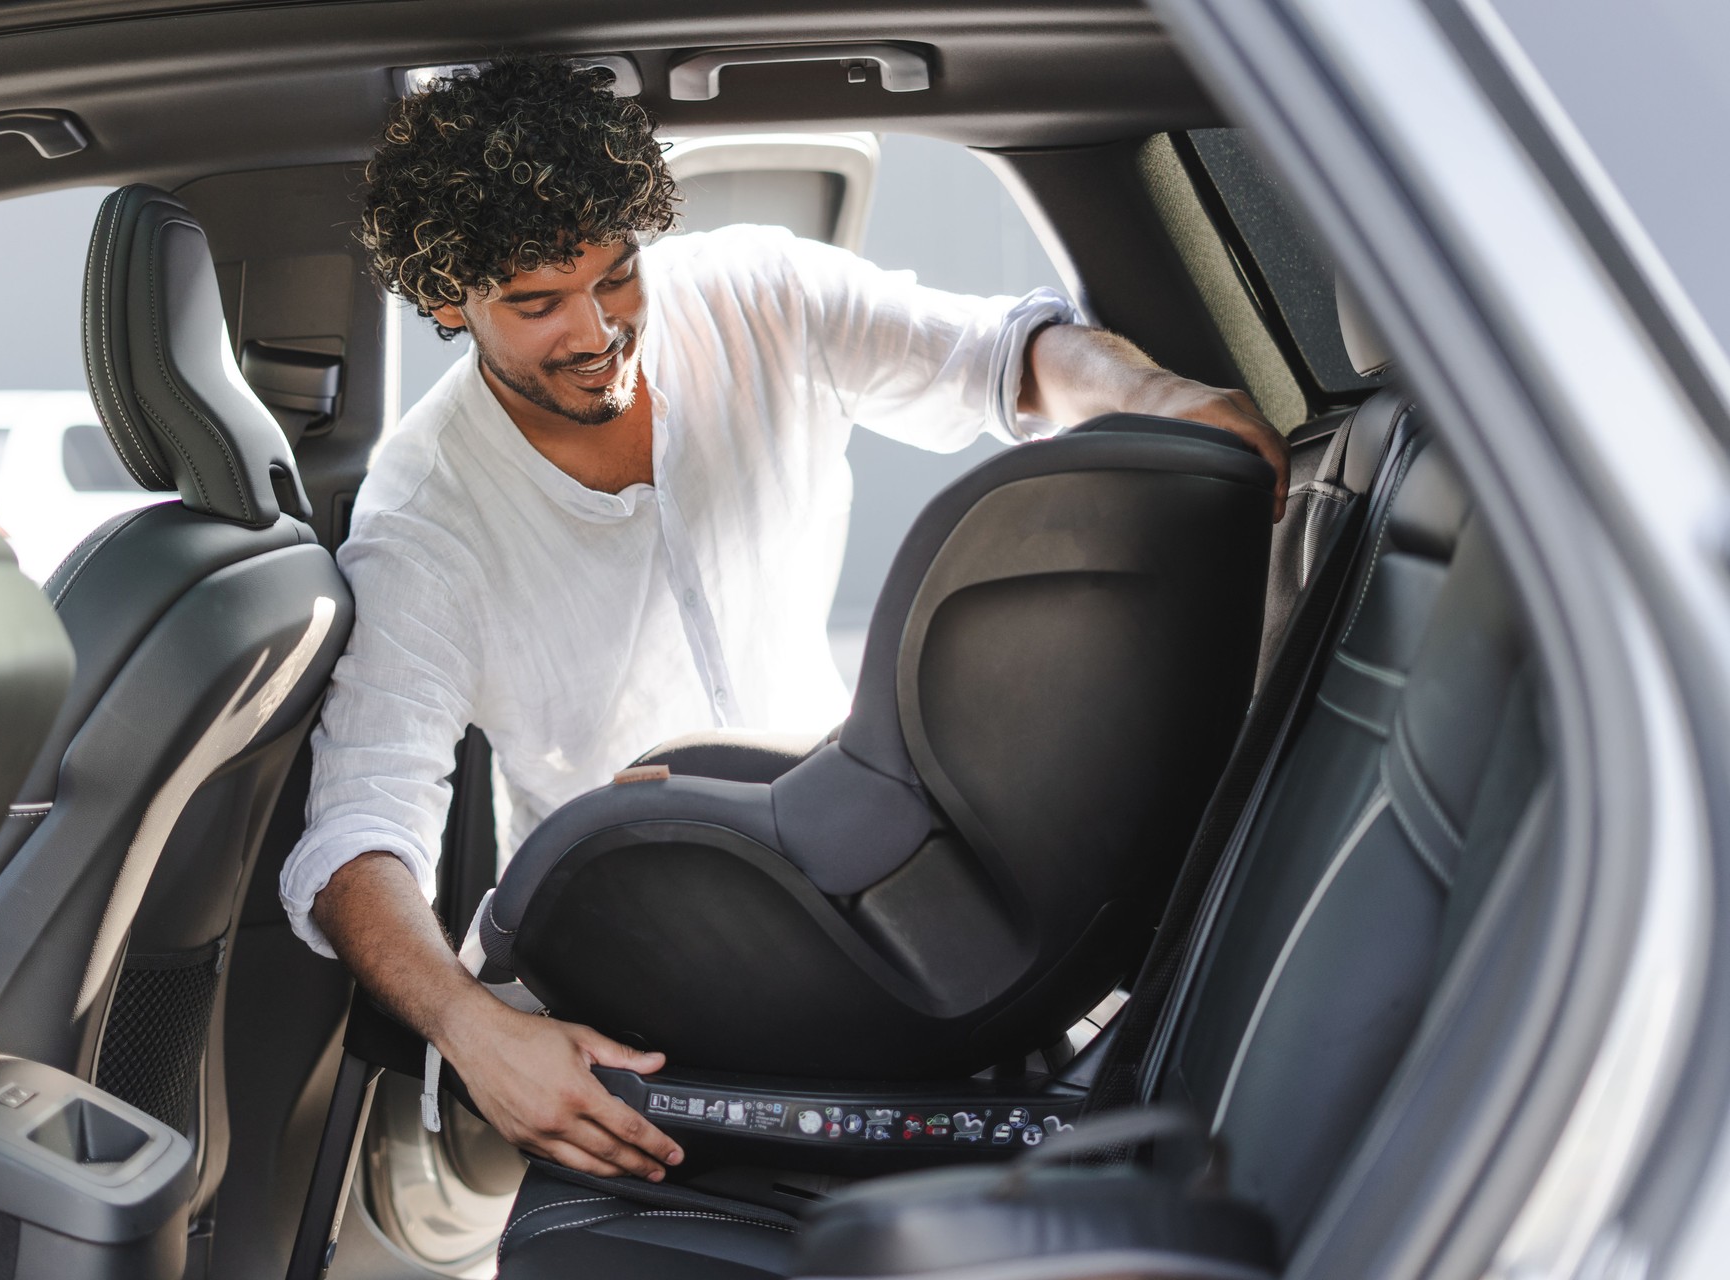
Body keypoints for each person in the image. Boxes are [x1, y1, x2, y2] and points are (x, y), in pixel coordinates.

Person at [281, 55, 1288, 1185]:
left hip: (848, 859)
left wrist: (1163, 401)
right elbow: (359, 829)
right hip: (637, 950)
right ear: (443, 299)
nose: (598, 328)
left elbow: (1005, 356)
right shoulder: (424, 513)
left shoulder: (755, 293)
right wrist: (474, 1030)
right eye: (536, 302)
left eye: (617, 276)